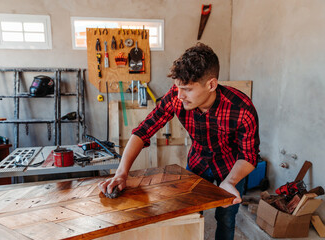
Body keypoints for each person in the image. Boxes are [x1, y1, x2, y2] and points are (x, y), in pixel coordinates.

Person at [98, 43, 260, 240]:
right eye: (177, 87)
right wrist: (122, 173)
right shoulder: (177, 97)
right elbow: (143, 131)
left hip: (232, 166)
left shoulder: (242, 108)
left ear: (211, 85)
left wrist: (230, 182)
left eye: (187, 89)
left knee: (226, 218)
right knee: (189, 213)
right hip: (198, 161)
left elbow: (249, 156)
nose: (180, 95)